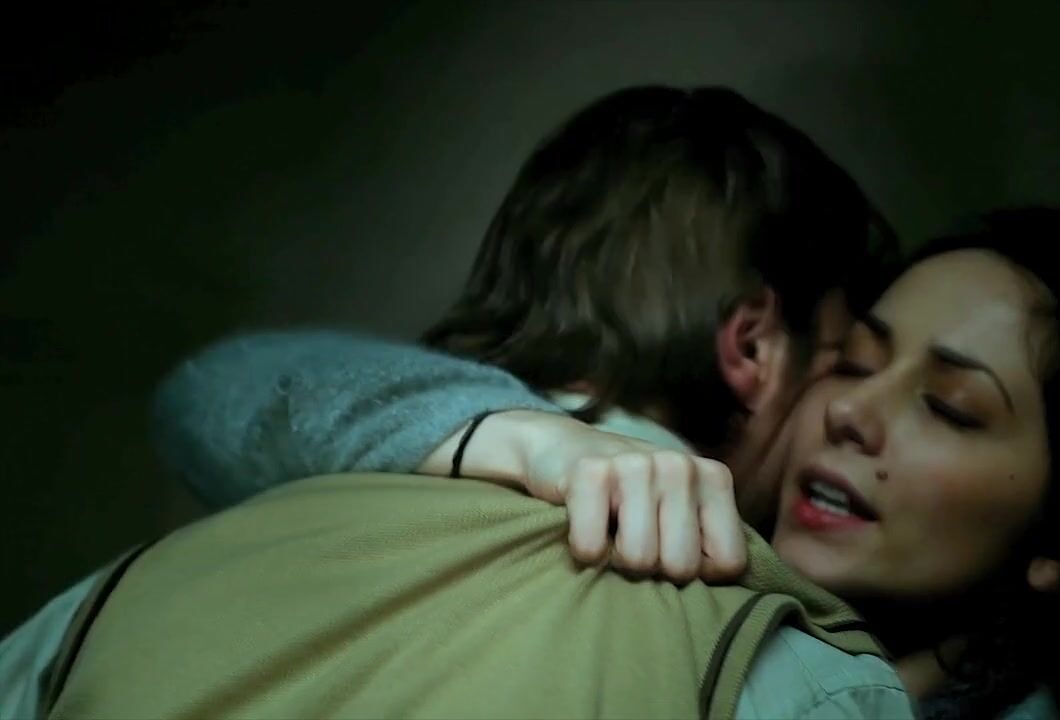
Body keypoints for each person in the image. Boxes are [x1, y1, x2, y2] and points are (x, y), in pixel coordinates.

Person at [1, 83, 899, 719]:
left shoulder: (131, 591)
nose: (850, 414)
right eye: (845, 359)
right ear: (753, 347)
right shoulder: (803, 676)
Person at [41, 209, 1060, 720]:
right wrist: (515, 432)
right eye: (856, 362)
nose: (850, 414)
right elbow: (212, 390)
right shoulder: (613, 522)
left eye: (950, 408)